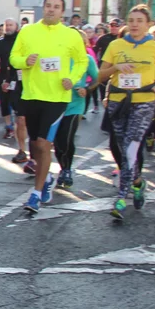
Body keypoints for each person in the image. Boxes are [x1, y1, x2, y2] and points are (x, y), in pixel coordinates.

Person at [10, 0, 88, 214]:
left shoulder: (71, 35)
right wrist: (25, 61)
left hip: (57, 97)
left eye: (56, 7)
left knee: (44, 144)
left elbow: (82, 61)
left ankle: (35, 195)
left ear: (62, 12)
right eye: (48, 6)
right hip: (32, 95)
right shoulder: (28, 31)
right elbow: (14, 58)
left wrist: (72, 79)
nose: (51, 9)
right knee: (35, 145)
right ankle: (46, 179)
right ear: (43, 8)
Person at [99, 4, 155, 219]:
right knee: (122, 147)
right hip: (118, 101)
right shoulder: (116, 45)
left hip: (144, 101)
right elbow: (101, 74)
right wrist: (116, 68)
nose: (135, 24)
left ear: (149, 24)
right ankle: (137, 182)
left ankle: (121, 198)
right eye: (131, 20)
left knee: (131, 147)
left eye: (140, 21)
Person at [54, 30, 99, 190]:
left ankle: (67, 169)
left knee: (67, 137)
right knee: (57, 141)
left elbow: (97, 78)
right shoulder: (59, 58)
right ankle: (63, 167)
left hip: (75, 105)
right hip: (56, 104)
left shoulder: (87, 59)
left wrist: (87, 89)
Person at [0, 19, 28, 161]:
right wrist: (6, 79)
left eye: (11, 25)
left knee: (25, 118)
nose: (8, 27)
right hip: (8, 79)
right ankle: (21, 149)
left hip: (26, 83)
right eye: (6, 25)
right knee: (17, 114)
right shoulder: (0, 42)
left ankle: (34, 148)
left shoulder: (23, 42)